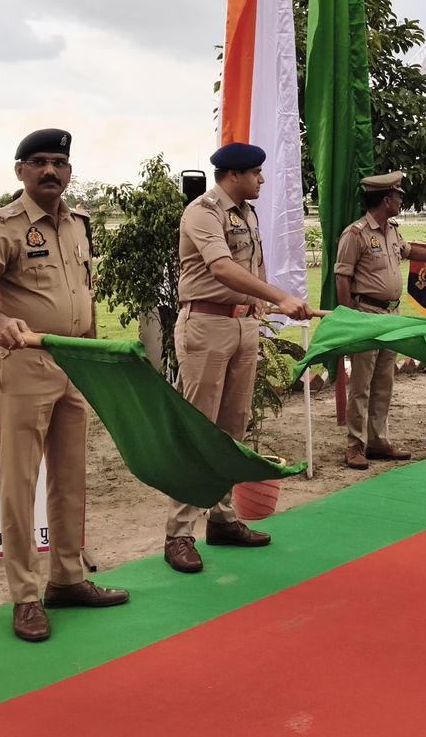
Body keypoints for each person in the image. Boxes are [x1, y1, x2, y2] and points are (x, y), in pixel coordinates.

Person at [0, 128, 129, 642]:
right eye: (38, 162)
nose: (50, 170)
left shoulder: (79, 224)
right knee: (20, 486)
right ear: (20, 172)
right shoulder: (2, 226)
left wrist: (96, 357)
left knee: (71, 478)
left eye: (58, 162)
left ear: (69, 171)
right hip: (25, 366)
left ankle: (69, 578)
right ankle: (26, 597)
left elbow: (84, 294)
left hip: (75, 366)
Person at [164, 142, 312, 574]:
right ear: (234, 175)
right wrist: (281, 296)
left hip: (242, 324)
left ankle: (224, 518)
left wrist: (263, 305)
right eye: (256, 173)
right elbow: (223, 269)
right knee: (199, 428)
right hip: (206, 326)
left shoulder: (245, 212)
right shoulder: (203, 211)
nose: (262, 180)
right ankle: (179, 532)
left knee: (232, 427)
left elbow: (253, 271)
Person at [336, 172, 426, 470]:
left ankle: (377, 440)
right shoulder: (355, 234)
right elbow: (342, 278)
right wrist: (349, 321)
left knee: (384, 380)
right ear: (386, 200)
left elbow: (412, 251)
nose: (401, 200)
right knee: (361, 383)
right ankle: (354, 444)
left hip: (392, 316)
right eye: (398, 196)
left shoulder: (391, 230)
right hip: (366, 316)